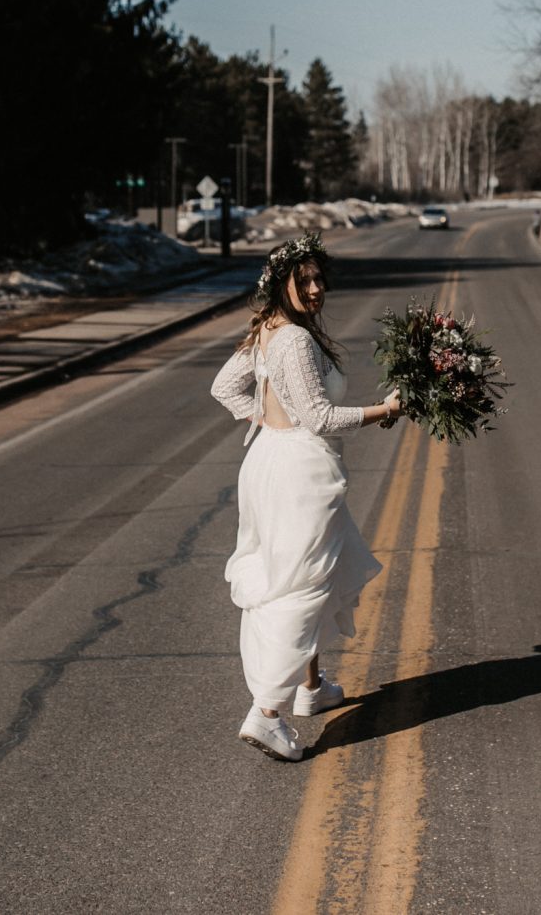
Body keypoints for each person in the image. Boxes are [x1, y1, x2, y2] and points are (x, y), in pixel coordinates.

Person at [210, 232, 404, 761]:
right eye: (305, 280)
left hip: (271, 462)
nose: (317, 288)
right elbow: (318, 417)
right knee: (304, 584)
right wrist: (384, 410)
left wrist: (264, 418)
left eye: (321, 278)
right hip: (297, 472)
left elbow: (226, 388)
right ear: (282, 285)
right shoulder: (293, 340)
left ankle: (311, 689)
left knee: (312, 568)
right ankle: (265, 714)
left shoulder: (270, 332)